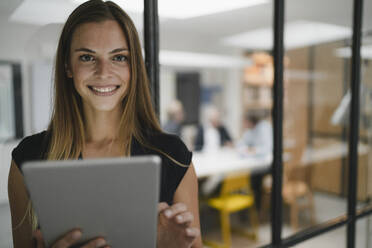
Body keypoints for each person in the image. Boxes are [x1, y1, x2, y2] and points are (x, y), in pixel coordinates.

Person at [7, 1, 202, 247]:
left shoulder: (174, 157)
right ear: (68, 66)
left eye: (119, 57)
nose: (103, 72)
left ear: (133, 68)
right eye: (87, 57)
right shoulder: (28, 158)